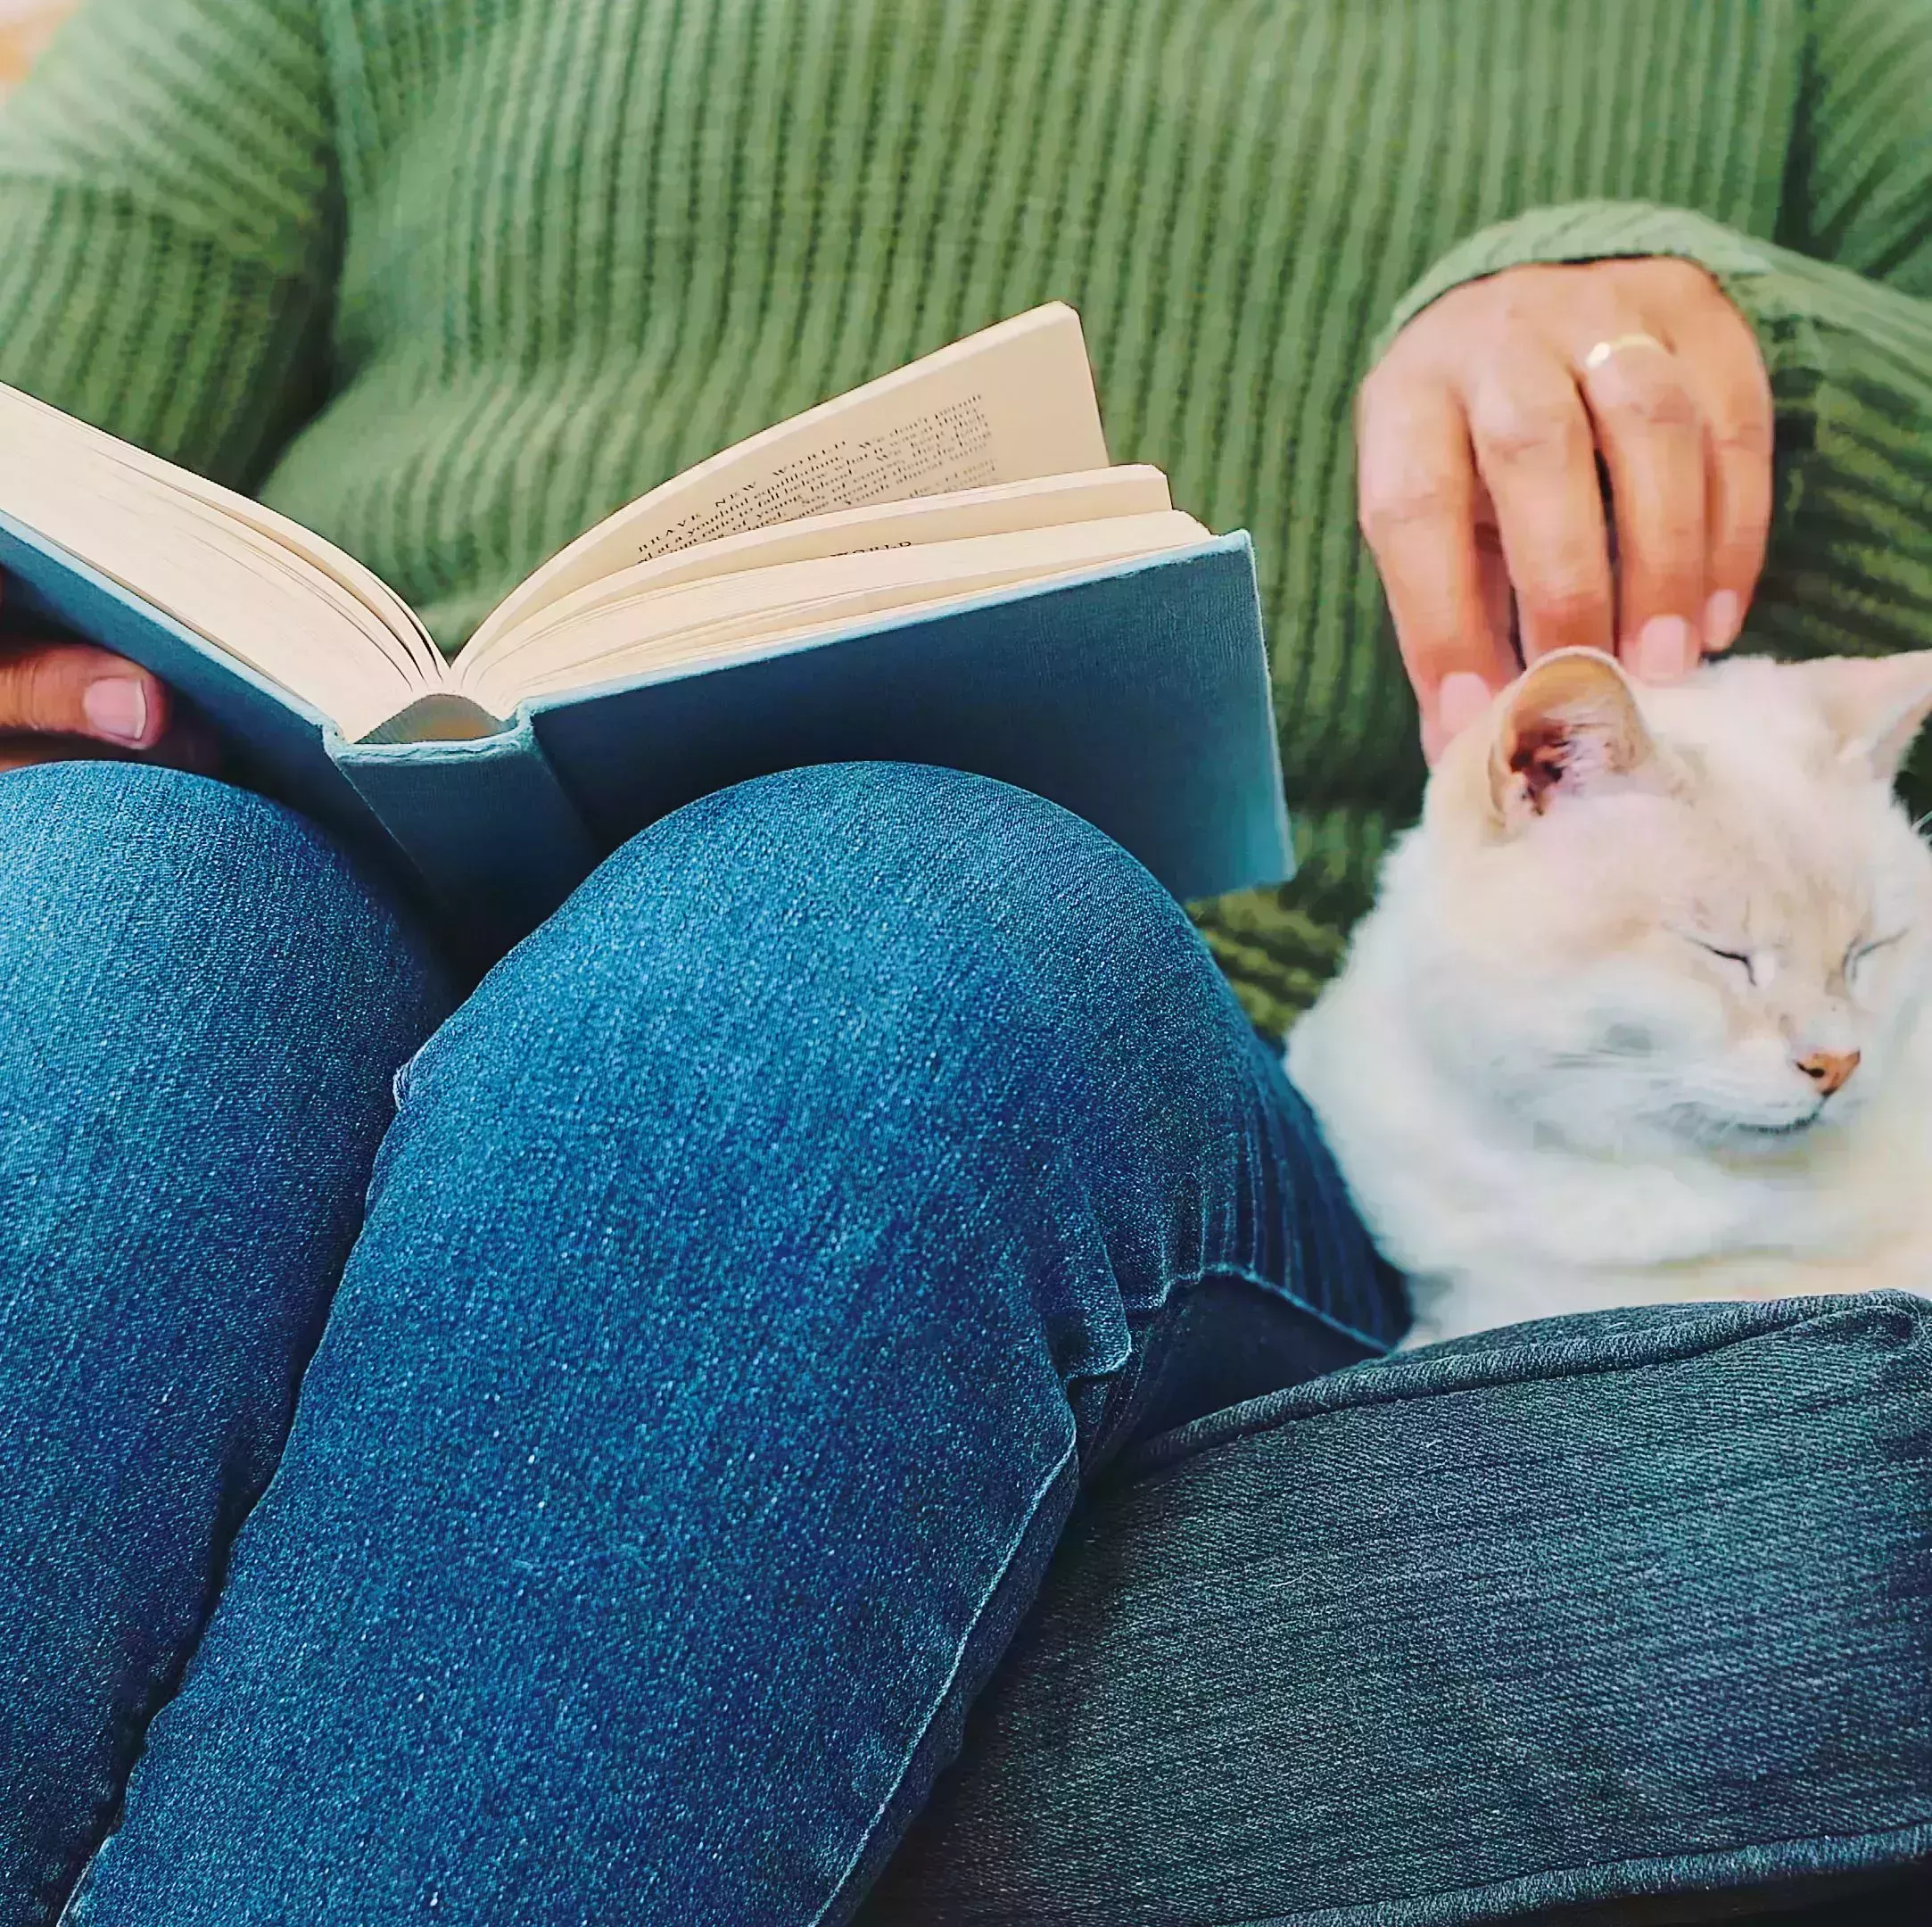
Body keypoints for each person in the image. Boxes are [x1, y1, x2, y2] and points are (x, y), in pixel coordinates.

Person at [1, 2, 1928, 1922]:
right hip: (337, 861)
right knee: (90, 919)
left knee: (834, 946)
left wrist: (1762, 373)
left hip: (1137, 1043)